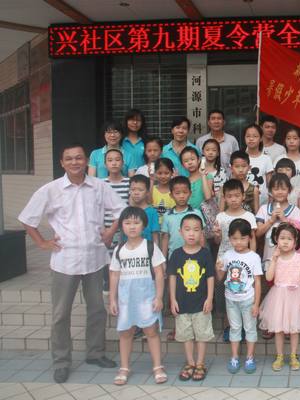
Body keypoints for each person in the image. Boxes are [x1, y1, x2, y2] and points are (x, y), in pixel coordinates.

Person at [19, 143, 125, 383]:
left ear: (86, 160)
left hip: (95, 258)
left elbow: (121, 210)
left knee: (97, 309)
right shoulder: (51, 190)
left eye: (79, 158)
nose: (75, 162)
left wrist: (110, 232)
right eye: (69, 158)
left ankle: (95, 353)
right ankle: (61, 361)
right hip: (65, 260)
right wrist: (42, 243)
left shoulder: (99, 187)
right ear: (62, 162)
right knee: (60, 314)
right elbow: (27, 218)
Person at [109, 206, 166, 385]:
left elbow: (159, 273)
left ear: (144, 225)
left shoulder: (150, 247)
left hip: (147, 297)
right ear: (121, 226)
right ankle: (124, 367)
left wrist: (159, 297)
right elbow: (114, 275)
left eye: (136, 223)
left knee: (151, 331)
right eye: (127, 223)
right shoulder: (119, 250)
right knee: (125, 333)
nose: (132, 227)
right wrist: (112, 299)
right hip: (126, 299)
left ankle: (157, 366)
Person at [168, 214, 215, 382]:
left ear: (201, 232)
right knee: (185, 335)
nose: (191, 233)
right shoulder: (176, 254)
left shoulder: (205, 254)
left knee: (202, 335)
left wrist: (209, 298)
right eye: (187, 229)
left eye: (196, 230)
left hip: (201, 304)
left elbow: (210, 277)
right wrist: (172, 299)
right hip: (182, 304)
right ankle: (190, 363)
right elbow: (172, 277)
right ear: (180, 232)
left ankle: (200, 363)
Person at [259, 223, 300, 372]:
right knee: (278, 329)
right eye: (282, 238)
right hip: (279, 298)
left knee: (294, 329)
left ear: (295, 241)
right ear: (276, 239)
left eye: (289, 239)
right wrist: (274, 259)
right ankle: (280, 356)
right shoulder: (274, 258)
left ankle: (293, 355)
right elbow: (269, 277)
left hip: (296, 297)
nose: (285, 242)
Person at [217, 219, 263, 374]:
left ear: (249, 237)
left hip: (248, 300)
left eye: (243, 238)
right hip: (230, 299)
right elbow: (220, 277)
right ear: (229, 238)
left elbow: (257, 282)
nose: (239, 242)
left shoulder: (254, 257)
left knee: (250, 328)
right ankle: (234, 357)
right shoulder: (227, 255)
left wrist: (256, 304)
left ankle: (250, 357)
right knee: (235, 328)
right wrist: (218, 268)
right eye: (235, 238)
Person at [256, 173, 300, 270]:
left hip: (290, 261)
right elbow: (257, 233)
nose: (280, 192)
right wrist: (271, 221)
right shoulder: (263, 209)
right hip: (269, 259)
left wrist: (284, 220)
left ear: (289, 190)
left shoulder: (296, 211)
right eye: (276, 189)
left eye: (283, 189)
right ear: (270, 191)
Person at [160, 176, 205, 258]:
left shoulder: (196, 213)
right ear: (171, 195)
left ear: (190, 193)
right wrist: (163, 259)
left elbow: (201, 236)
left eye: (185, 192)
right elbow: (165, 238)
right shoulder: (167, 216)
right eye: (177, 193)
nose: (181, 196)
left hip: (195, 256)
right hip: (174, 257)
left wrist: (202, 256)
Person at [275, 128, 300, 211]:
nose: (291, 141)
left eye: (295, 138)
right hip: (283, 197)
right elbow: (275, 180)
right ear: (285, 141)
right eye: (288, 138)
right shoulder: (279, 159)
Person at [244, 123, 273, 205]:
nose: (251, 139)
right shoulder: (240, 157)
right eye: (248, 136)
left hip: (262, 202)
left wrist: (270, 203)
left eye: (255, 136)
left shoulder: (266, 159)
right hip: (242, 201)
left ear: (261, 139)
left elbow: (270, 184)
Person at [129, 174, 160, 243]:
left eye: (140, 190)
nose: (136, 193)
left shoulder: (152, 212)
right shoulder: (126, 212)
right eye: (133, 189)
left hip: (147, 248)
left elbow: (155, 237)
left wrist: (155, 249)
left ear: (147, 192)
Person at [152, 158, 176, 226]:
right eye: (159, 173)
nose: (163, 176)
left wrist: (176, 180)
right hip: (154, 227)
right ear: (155, 173)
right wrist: (151, 180)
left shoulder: (175, 191)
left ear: (172, 173)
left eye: (166, 173)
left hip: (171, 226)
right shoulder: (151, 189)